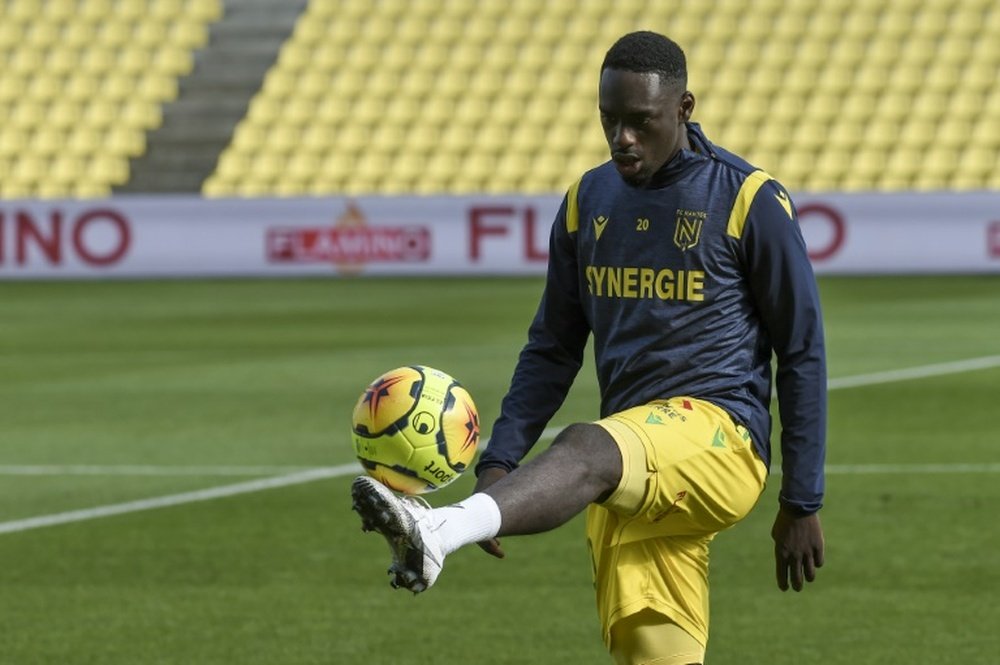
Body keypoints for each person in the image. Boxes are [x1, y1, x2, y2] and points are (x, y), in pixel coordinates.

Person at [352, 30, 826, 665]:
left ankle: (440, 530)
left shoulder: (747, 199)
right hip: (629, 476)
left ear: (683, 110)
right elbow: (553, 344)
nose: (621, 138)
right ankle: (468, 517)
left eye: (641, 121)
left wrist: (802, 499)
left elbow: (801, 350)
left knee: (584, 443)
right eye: (609, 119)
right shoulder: (586, 200)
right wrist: (501, 461)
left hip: (719, 438)